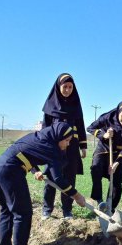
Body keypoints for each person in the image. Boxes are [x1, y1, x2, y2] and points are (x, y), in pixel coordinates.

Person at [0, 121, 86, 245]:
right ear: (59, 137)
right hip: (11, 172)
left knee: (7, 210)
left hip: (0, 169)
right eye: (67, 141)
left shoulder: (41, 137)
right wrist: (76, 195)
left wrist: (35, 170)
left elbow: (24, 153)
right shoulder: (51, 148)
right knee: (23, 212)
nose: (68, 144)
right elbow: (58, 179)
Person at [41, 73, 87, 220]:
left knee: (69, 178)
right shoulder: (50, 105)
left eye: (70, 87)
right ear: (58, 86)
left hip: (72, 147)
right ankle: (47, 209)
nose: (67, 89)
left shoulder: (76, 105)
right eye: (65, 86)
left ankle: (67, 210)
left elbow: (80, 126)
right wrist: (45, 145)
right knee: (51, 177)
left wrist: (83, 146)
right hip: (54, 147)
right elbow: (45, 127)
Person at [86, 100, 122, 213]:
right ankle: (99, 200)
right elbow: (90, 128)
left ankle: (110, 208)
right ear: (118, 113)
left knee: (117, 182)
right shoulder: (108, 117)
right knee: (95, 168)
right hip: (103, 149)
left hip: (118, 154)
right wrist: (104, 135)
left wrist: (117, 163)